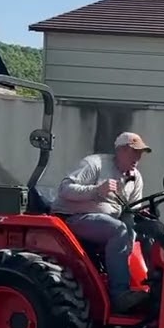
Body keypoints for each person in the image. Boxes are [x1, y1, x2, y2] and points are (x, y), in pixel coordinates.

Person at [50, 131, 153, 313]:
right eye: (133, 152)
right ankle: (119, 296)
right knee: (118, 231)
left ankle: (150, 288)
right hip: (73, 218)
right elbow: (64, 189)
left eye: (140, 153)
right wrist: (96, 191)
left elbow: (130, 210)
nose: (138, 157)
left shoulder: (135, 177)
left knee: (145, 233)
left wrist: (137, 222)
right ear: (120, 150)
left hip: (107, 221)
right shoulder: (95, 164)